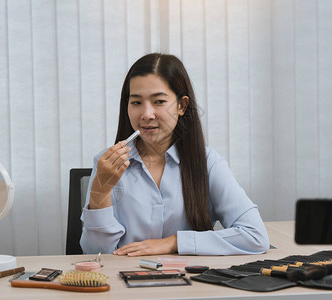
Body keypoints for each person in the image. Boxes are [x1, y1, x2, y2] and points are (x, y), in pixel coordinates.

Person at [80, 53, 269, 256]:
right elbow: (94, 254)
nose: (146, 114)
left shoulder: (208, 164)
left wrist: (175, 242)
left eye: (159, 102)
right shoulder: (107, 163)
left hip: (190, 285)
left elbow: (255, 236)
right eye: (136, 102)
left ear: (181, 106)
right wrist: (100, 193)